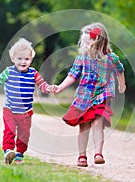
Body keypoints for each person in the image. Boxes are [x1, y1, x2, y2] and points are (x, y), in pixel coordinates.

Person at [54, 22, 126, 167]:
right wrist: (60, 87)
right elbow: (73, 75)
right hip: (84, 96)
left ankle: (98, 153)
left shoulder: (111, 58)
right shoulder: (82, 58)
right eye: (84, 43)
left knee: (97, 122)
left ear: (99, 41)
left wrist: (122, 84)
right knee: (84, 126)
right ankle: (82, 156)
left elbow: (120, 69)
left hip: (102, 95)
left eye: (89, 43)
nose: (86, 46)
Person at [0, 38, 53, 165]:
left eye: (26, 59)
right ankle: (8, 151)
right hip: (10, 110)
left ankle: (20, 153)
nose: (23, 61)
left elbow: (42, 85)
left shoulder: (33, 73)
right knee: (9, 130)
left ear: (31, 59)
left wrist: (49, 88)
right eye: (19, 59)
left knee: (24, 134)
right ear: (13, 59)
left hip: (26, 112)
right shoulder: (8, 72)